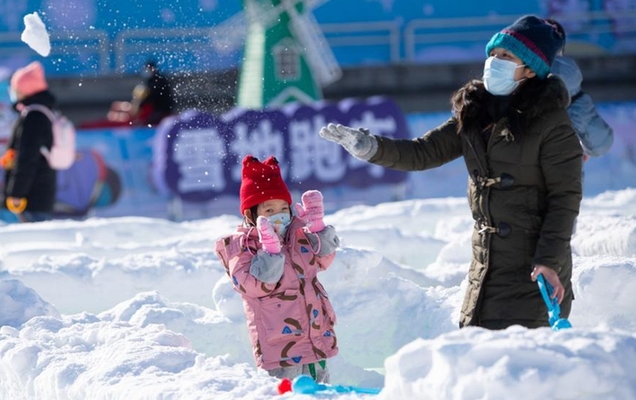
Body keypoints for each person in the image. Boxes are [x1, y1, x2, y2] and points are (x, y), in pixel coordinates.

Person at [319, 15, 583, 330]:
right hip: (485, 271)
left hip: (535, 273)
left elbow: (564, 200)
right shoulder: (474, 112)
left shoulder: (552, 123)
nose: (494, 63)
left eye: (506, 57)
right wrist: (368, 146)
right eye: (493, 55)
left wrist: (549, 262)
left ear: (530, 69)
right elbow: (421, 152)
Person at [214, 155, 340, 383]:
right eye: (269, 211)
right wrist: (270, 253)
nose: (279, 215)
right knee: (286, 393)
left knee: (321, 391)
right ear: (250, 215)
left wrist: (318, 229)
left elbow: (322, 261)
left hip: (315, 335)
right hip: (280, 349)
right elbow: (254, 286)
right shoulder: (241, 247)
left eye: (284, 208)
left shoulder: (297, 235)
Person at [546, 18, 614, 160]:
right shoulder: (576, 98)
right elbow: (602, 143)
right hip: (567, 175)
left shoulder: (516, 82)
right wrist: (582, 146)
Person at [0, 61, 57, 223]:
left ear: (25, 89)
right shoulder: (44, 112)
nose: (13, 92)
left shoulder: (33, 117)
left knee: (25, 245)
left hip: (29, 198)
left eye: (16, 88)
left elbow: (27, 158)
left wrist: (16, 193)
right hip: (40, 194)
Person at [130, 60, 176, 125]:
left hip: (162, 109)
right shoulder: (151, 80)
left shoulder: (158, 80)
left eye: (147, 69)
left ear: (152, 69)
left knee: (145, 123)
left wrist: (140, 106)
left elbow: (151, 96)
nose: (146, 71)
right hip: (157, 108)